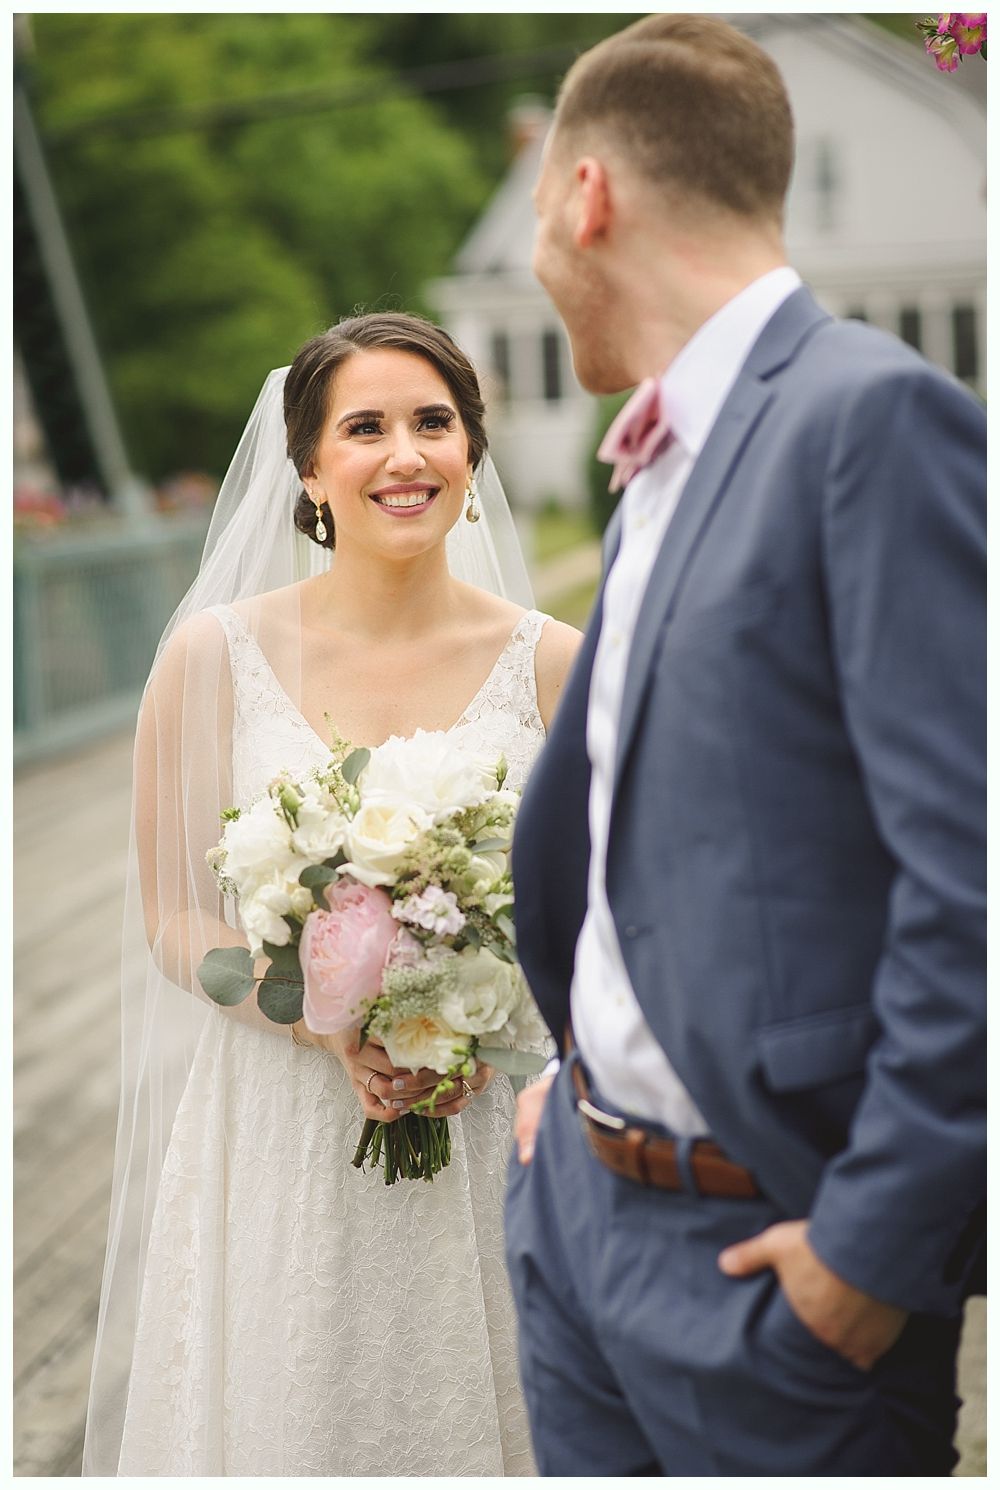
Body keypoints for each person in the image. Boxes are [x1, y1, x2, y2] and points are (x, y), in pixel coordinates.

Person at [505, 14, 985, 1477]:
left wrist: (872, 1247)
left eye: (537, 215)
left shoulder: (869, 417)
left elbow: (971, 876)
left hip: (772, 1271)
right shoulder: (659, 463)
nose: (538, 252)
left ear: (588, 195)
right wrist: (577, 1061)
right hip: (583, 1222)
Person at [83, 311, 580, 1475]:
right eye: (364, 428)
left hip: (482, 1121)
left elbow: (595, 911)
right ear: (308, 468)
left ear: (472, 451)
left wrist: (465, 1009)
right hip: (279, 1119)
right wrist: (325, 1020)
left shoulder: (555, 663)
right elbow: (173, 913)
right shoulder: (210, 657)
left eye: (433, 423)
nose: (403, 455)